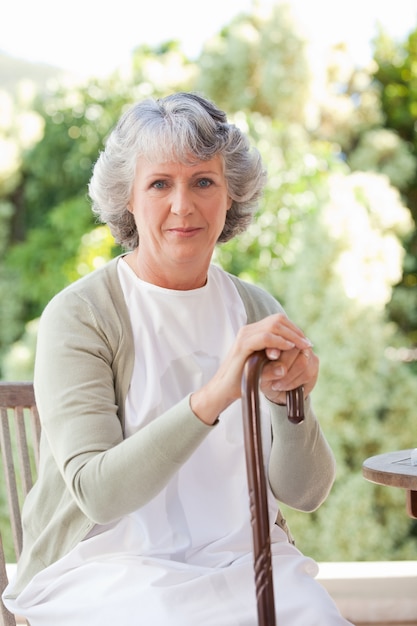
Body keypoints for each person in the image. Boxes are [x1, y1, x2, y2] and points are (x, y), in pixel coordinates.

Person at [3, 92, 352, 625]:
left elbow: (305, 493)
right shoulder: (80, 315)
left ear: (231, 194)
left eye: (203, 181)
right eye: (160, 183)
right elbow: (99, 494)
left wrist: (290, 402)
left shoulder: (256, 308)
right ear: (128, 198)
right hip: (105, 571)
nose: (183, 205)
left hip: (244, 563)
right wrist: (214, 395)